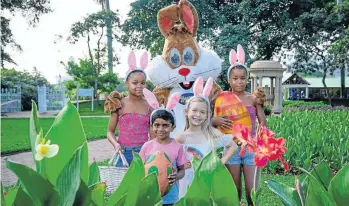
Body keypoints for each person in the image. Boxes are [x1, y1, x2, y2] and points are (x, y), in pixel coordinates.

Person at [212, 45, 266, 206]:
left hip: (250, 148)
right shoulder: (222, 99)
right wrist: (215, 121)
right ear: (229, 80)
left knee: (252, 190)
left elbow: (262, 122)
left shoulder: (252, 99)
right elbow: (214, 122)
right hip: (231, 147)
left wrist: (261, 134)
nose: (239, 81)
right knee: (235, 189)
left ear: (247, 79)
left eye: (242, 78)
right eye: (235, 78)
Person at [176, 76, 238, 198]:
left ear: (207, 115)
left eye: (202, 112)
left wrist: (220, 163)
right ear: (186, 112)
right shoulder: (182, 138)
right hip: (187, 182)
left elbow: (233, 146)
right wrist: (180, 166)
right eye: (194, 111)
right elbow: (174, 158)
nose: (197, 115)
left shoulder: (211, 134)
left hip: (207, 182)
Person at [139, 88, 187, 206]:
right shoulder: (147, 146)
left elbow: (182, 171)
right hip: (150, 197)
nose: (161, 129)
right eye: (157, 125)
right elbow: (139, 170)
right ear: (151, 126)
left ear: (173, 127)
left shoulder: (177, 147)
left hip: (170, 197)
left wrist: (177, 176)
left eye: (165, 125)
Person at [104, 51, 151, 166]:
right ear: (127, 84)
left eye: (143, 83)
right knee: (122, 182)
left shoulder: (149, 105)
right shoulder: (119, 104)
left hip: (143, 153)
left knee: (141, 183)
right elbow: (110, 131)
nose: (139, 86)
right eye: (135, 83)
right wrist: (116, 144)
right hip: (123, 152)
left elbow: (153, 133)